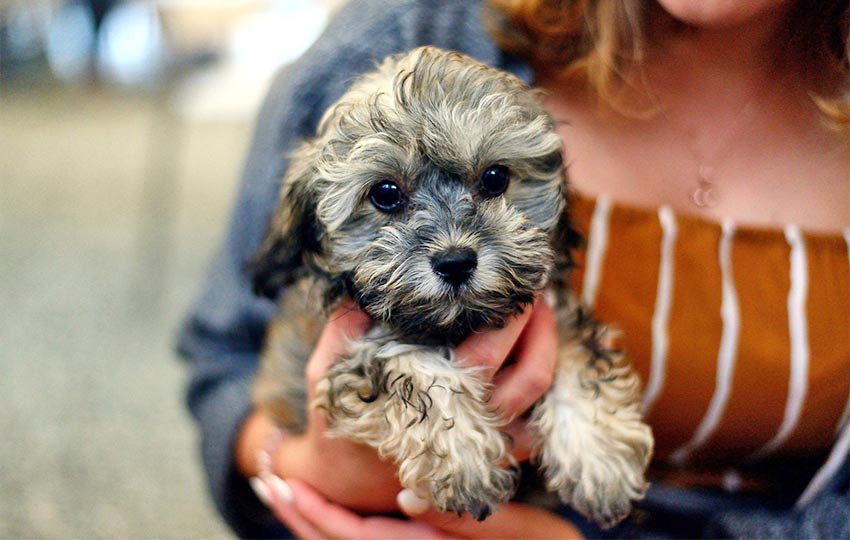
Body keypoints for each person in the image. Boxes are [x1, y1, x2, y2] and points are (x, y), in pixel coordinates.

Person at [176, 0, 849, 537]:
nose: (452, 243)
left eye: (491, 181)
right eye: (389, 198)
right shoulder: (393, 31)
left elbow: (577, 354)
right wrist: (294, 467)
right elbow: (224, 358)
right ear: (310, 225)